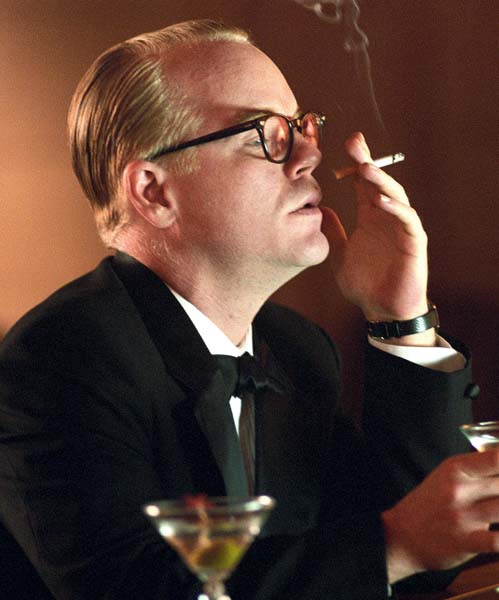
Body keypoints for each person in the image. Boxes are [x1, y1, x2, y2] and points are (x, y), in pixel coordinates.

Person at [0, 19, 497, 600]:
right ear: (155, 192)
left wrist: (400, 316)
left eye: (301, 126)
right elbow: (138, 590)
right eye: (268, 133)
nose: (311, 154)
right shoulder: (57, 361)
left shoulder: (297, 350)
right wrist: (396, 544)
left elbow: (420, 563)